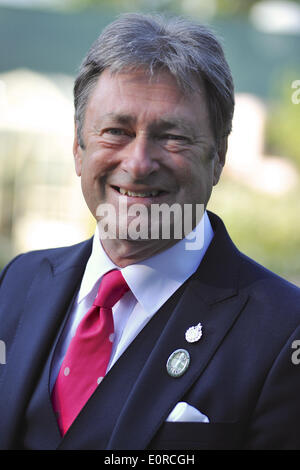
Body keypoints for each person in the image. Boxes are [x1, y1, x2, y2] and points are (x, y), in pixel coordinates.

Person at [0, 12, 299, 451]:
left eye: (172, 137)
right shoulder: (19, 281)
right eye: (116, 131)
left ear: (218, 157)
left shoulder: (283, 331)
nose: (139, 163)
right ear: (78, 148)